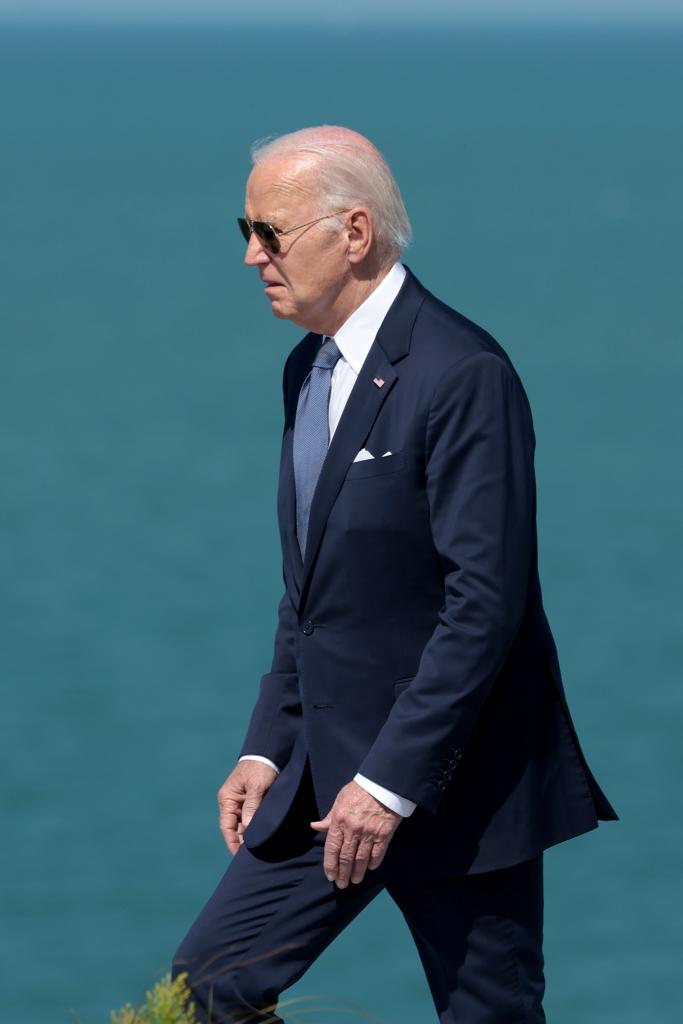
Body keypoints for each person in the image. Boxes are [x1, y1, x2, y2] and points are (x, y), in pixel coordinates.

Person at [172, 125, 617, 1023]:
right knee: (208, 988)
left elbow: (482, 606)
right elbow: (314, 594)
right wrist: (267, 741)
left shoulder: (464, 373)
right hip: (316, 780)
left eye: (271, 232)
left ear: (355, 232)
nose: (252, 255)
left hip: (457, 786)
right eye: (244, 230)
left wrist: (385, 786)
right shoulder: (307, 369)